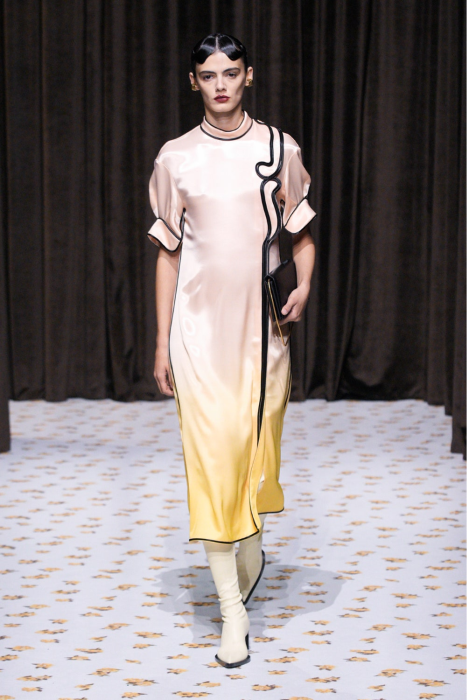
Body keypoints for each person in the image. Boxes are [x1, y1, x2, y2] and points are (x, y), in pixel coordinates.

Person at [148, 33, 316, 668]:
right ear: (193, 82)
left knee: (256, 452)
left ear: (249, 76)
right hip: (197, 332)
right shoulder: (175, 158)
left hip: (263, 333)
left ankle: (250, 549)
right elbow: (168, 254)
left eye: (231, 72)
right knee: (213, 460)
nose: (221, 84)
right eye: (209, 75)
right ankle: (232, 612)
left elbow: (301, 232)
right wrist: (162, 341)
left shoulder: (279, 148)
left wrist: (304, 285)